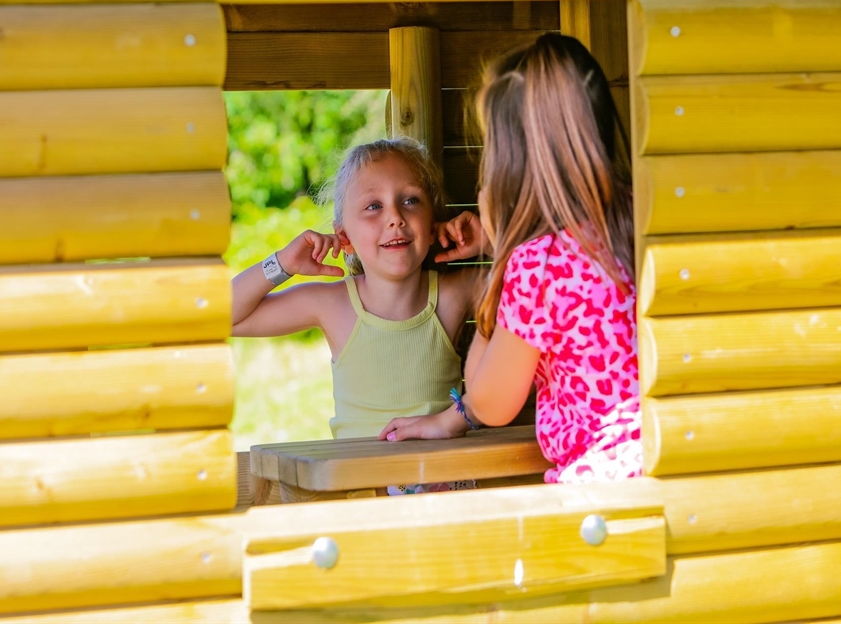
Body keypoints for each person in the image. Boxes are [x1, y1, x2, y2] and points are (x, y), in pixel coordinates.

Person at [379, 34, 642, 484]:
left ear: (511, 161)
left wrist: (503, 259)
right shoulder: (639, 221)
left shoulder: (536, 266)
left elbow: (490, 403)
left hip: (604, 496)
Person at [230, 137, 481, 449]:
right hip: (361, 487)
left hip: (443, 482)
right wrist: (282, 263)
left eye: (410, 201)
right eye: (374, 206)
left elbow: (540, 280)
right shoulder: (332, 305)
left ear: (431, 226)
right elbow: (224, 316)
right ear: (344, 238)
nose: (395, 217)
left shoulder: (454, 294)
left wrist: (488, 241)